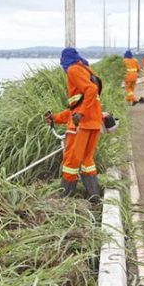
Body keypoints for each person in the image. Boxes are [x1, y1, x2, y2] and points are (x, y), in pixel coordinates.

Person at [47, 47, 103, 200]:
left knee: (71, 160)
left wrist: (81, 113)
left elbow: (90, 91)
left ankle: (65, 197)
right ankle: (94, 196)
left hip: (82, 125)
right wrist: (56, 118)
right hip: (93, 123)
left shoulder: (73, 69)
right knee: (87, 160)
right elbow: (76, 106)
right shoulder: (87, 70)